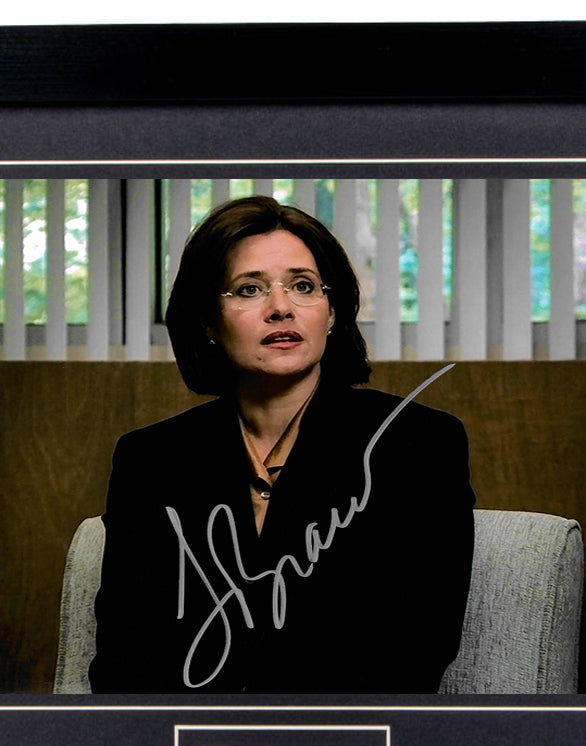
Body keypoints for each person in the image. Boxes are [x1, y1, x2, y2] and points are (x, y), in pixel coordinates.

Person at [88, 196, 474, 694]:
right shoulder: (151, 460)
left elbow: (416, 647)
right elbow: (125, 655)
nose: (281, 308)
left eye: (303, 286)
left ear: (332, 312)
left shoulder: (417, 445)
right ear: (208, 320)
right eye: (249, 289)